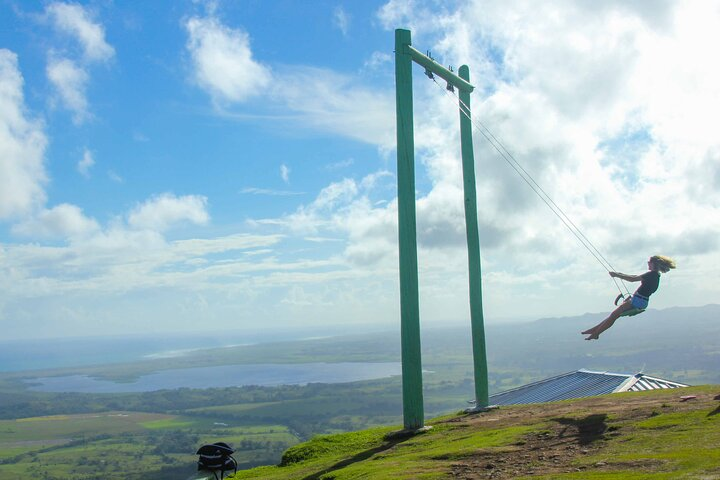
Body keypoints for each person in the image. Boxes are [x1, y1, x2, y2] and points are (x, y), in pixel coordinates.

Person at [582, 255, 676, 340]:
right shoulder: (655, 275)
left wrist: (616, 275)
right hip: (641, 301)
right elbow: (634, 277)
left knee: (614, 316)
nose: (648, 264)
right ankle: (595, 331)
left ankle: (596, 333)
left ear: (653, 264)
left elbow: (632, 279)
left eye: (649, 262)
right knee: (613, 315)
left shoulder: (651, 274)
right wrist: (618, 274)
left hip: (638, 301)